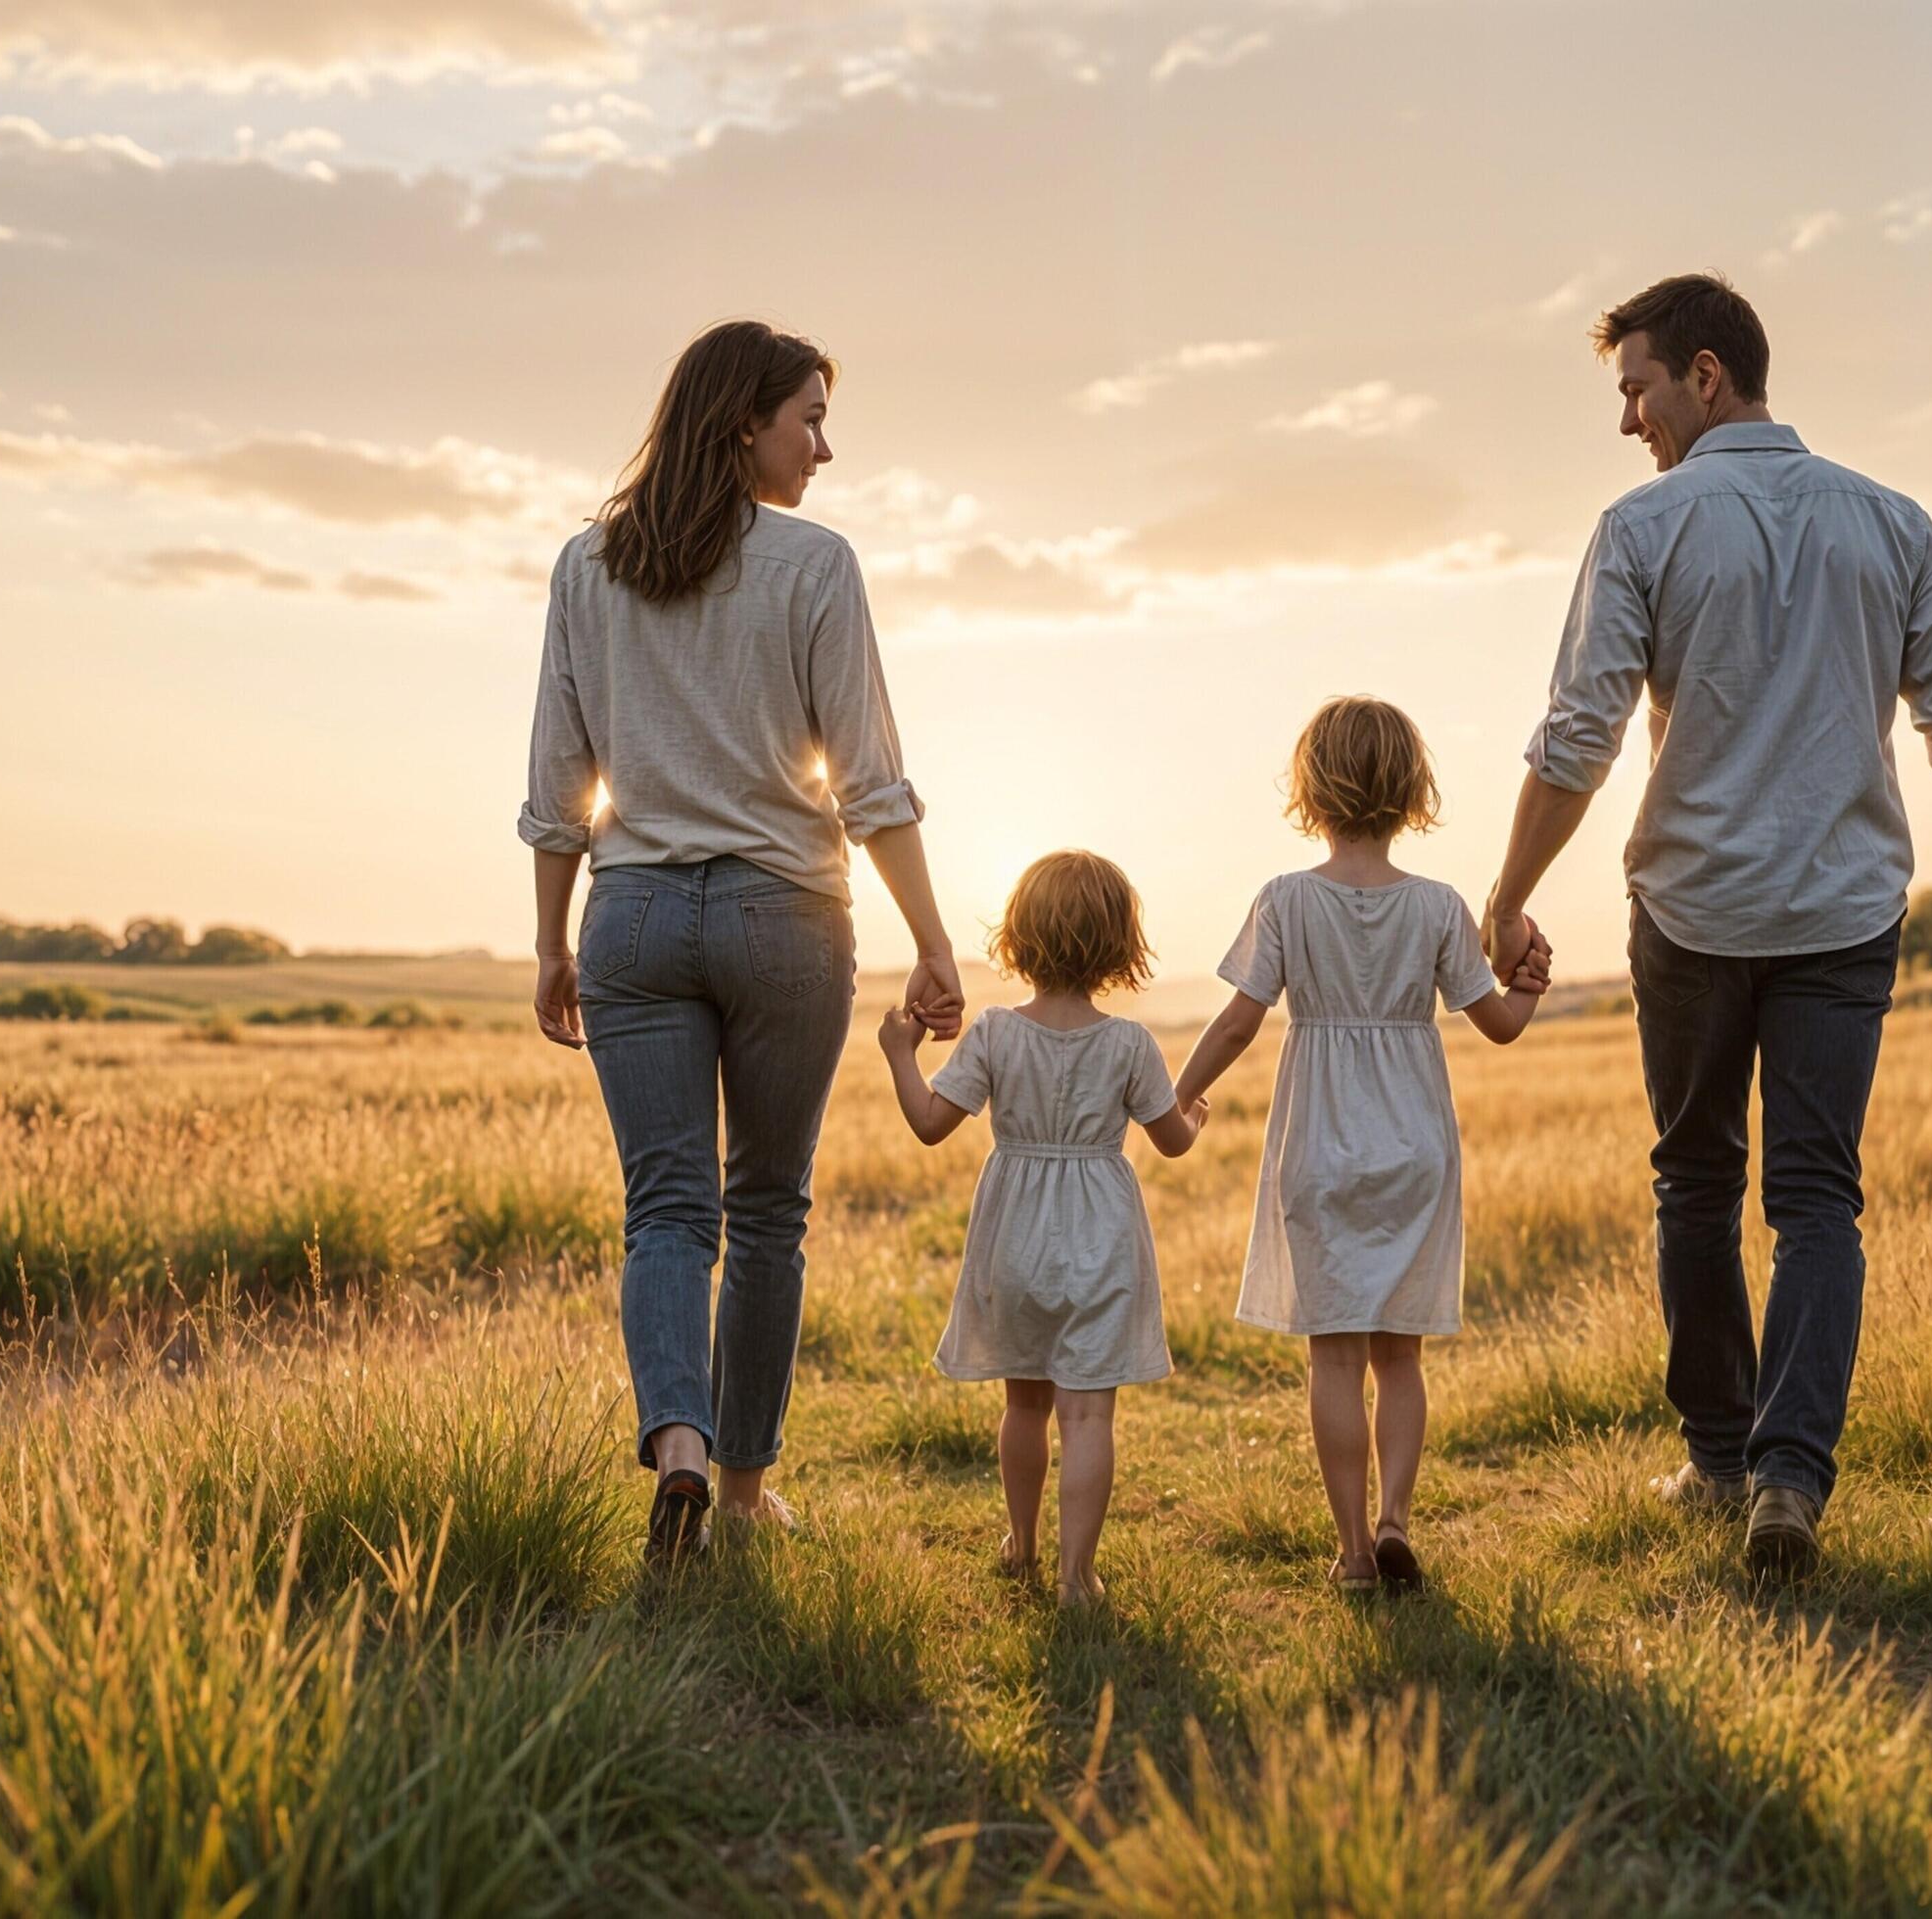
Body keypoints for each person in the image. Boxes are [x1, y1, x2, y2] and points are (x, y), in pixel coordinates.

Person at [1482, 273, 1932, 1586]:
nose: (1627, 422)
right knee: (1817, 1200)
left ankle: (1720, 1459)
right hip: (1843, 914)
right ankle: (1789, 1477)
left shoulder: (1643, 525)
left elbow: (1577, 735)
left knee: (1695, 1183)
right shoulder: (1889, 522)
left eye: (1635, 389)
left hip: (1690, 908)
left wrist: (1505, 895)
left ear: (1703, 377)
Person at [520, 318, 966, 1565]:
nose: (825, 448)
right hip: (785, 915)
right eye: (808, 420)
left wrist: (552, 939)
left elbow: (560, 784)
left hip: (637, 916)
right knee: (766, 1207)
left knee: (665, 1207)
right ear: (742, 425)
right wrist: (931, 940)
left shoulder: (582, 567)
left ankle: (674, 1445)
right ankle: (741, 1490)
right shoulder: (815, 565)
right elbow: (870, 779)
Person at [1174, 696, 1552, 1595]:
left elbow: (1236, 1023)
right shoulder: (1436, 907)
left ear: (1312, 787)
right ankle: (1394, 1521)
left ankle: (1349, 1554)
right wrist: (1531, 982)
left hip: (1320, 1143)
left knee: (1334, 1357)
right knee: (1401, 1357)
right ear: (1408, 789)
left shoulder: (1286, 900)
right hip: (1415, 1148)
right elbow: (1497, 1023)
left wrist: (1179, 1093)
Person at [876, 851, 1203, 1607]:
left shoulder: (994, 1032)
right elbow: (1172, 1140)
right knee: (1087, 1411)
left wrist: (900, 1056)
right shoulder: (1128, 1044)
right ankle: (1075, 1576)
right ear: (1120, 943)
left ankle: (1021, 1546)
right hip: (1102, 1239)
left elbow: (930, 1123)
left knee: (1022, 1404)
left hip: (1014, 1237)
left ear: (1019, 936)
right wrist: (1194, 1114)